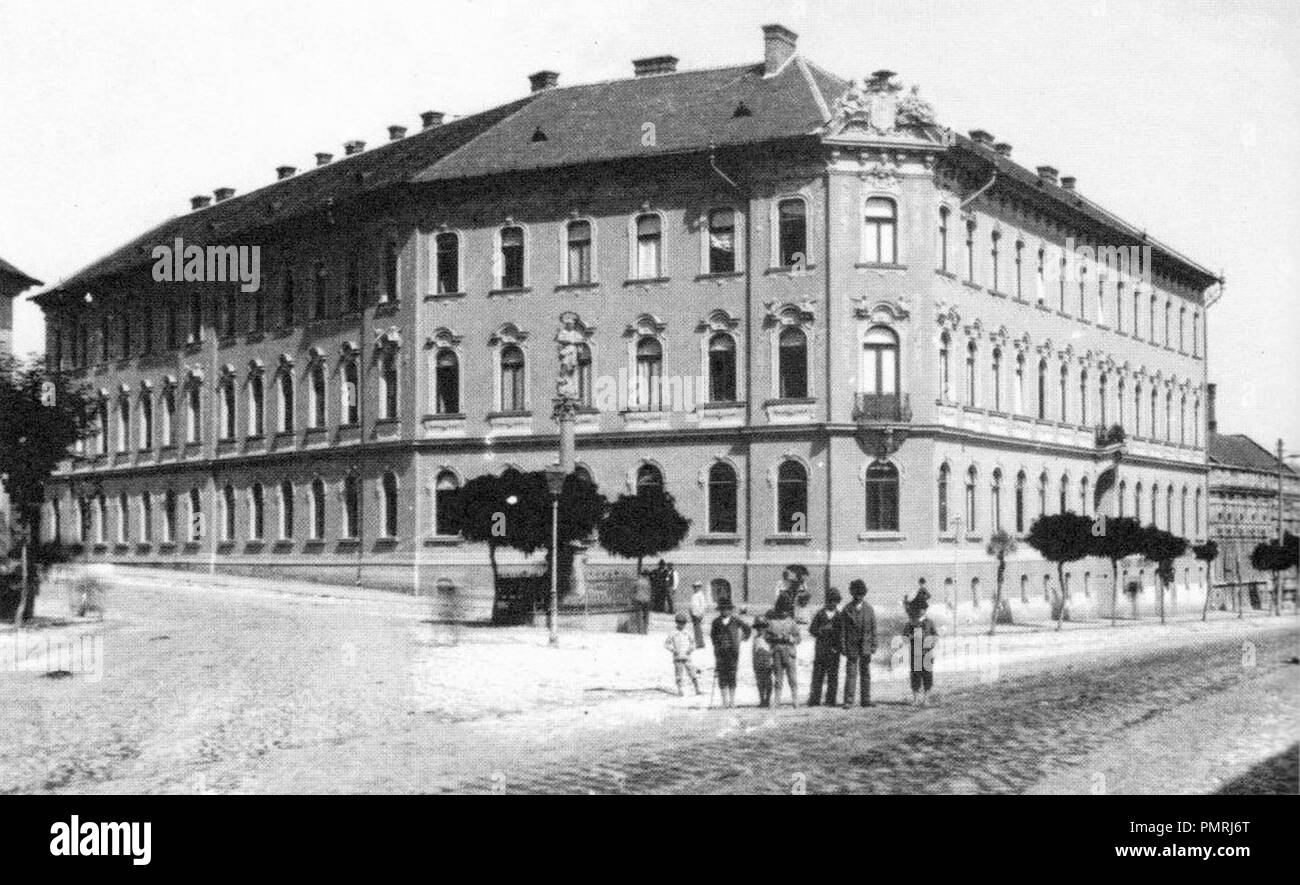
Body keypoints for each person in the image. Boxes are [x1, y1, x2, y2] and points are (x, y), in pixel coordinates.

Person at [837, 579, 877, 708]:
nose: (859, 596)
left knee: (865, 673)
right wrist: (843, 645)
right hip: (851, 645)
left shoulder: (869, 609)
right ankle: (849, 701)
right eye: (856, 593)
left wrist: (874, 644)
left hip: (865, 645)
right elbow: (842, 630)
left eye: (861, 593)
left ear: (864, 594)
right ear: (852, 593)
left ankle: (866, 700)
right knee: (851, 673)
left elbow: (873, 628)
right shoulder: (847, 609)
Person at [710, 601, 751, 708]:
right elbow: (712, 636)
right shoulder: (716, 622)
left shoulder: (735, 620)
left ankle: (732, 701)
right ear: (720, 610)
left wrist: (742, 638)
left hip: (733, 652)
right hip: (720, 653)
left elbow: (747, 629)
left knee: (732, 676)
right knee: (722, 676)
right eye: (723, 609)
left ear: (731, 610)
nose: (725, 611)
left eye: (727, 609)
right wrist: (716, 646)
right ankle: (724, 702)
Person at [807, 588, 842, 706]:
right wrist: (820, 630)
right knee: (818, 675)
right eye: (831, 601)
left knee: (833, 676)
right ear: (827, 601)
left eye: (835, 601)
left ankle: (831, 700)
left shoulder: (839, 616)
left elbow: (842, 634)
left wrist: (839, 647)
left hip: (834, 650)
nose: (833, 603)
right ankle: (814, 699)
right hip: (821, 649)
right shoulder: (820, 614)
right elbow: (812, 630)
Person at [903, 597, 939, 706]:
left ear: (925, 610)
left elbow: (936, 636)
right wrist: (912, 637)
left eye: (923, 608)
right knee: (915, 676)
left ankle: (926, 699)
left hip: (927, 653)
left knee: (927, 676)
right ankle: (915, 699)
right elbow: (904, 637)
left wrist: (930, 643)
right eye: (918, 608)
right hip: (915, 654)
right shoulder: (910, 623)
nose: (920, 610)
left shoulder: (930, 622)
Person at [765, 605, 801, 708]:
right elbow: (767, 637)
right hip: (777, 652)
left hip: (789, 652)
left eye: (785, 610)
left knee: (792, 678)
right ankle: (777, 700)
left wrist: (791, 638)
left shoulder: (792, 623)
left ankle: (795, 699)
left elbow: (799, 638)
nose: (783, 613)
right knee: (778, 678)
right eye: (781, 610)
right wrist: (774, 638)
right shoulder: (772, 623)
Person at [664, 613, 701, 696]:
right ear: (676, 622)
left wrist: (690, 649)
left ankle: (697, 689)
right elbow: (667, 644)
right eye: (680, 622)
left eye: (683, 623)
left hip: (687, 656)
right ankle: (680, 690)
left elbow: (693, 643)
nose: (681, 625)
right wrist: (673, 650)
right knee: (679, 675)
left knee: (692, 673)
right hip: (677, 657)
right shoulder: (673, 633)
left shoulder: (687, 632)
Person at [751, 616, 774, 707]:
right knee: (760, 682)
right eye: (758, 627)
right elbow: (753, 651)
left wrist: (771, 660)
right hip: (758, 661)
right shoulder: (755, 638)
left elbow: (772, 649)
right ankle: (761, 700)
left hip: (767, 661)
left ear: (766, 627)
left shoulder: (769, 638)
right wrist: (753, 662)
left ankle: (767, 699)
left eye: (762, 627)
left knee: (768, 681)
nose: (760, 629)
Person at [689, 580, 710, 649]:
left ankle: (700, 643)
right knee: (696, 628)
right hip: (693, 613)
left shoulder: (701, 595)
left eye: (697, 587)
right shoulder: (694, 595)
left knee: (698, 629)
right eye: (694, 587)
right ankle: (698, 642)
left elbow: (703, 605)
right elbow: (692, 604)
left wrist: (701, 613)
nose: (695, 588)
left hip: (698, 614)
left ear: (699, 587)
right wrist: (690, 612)